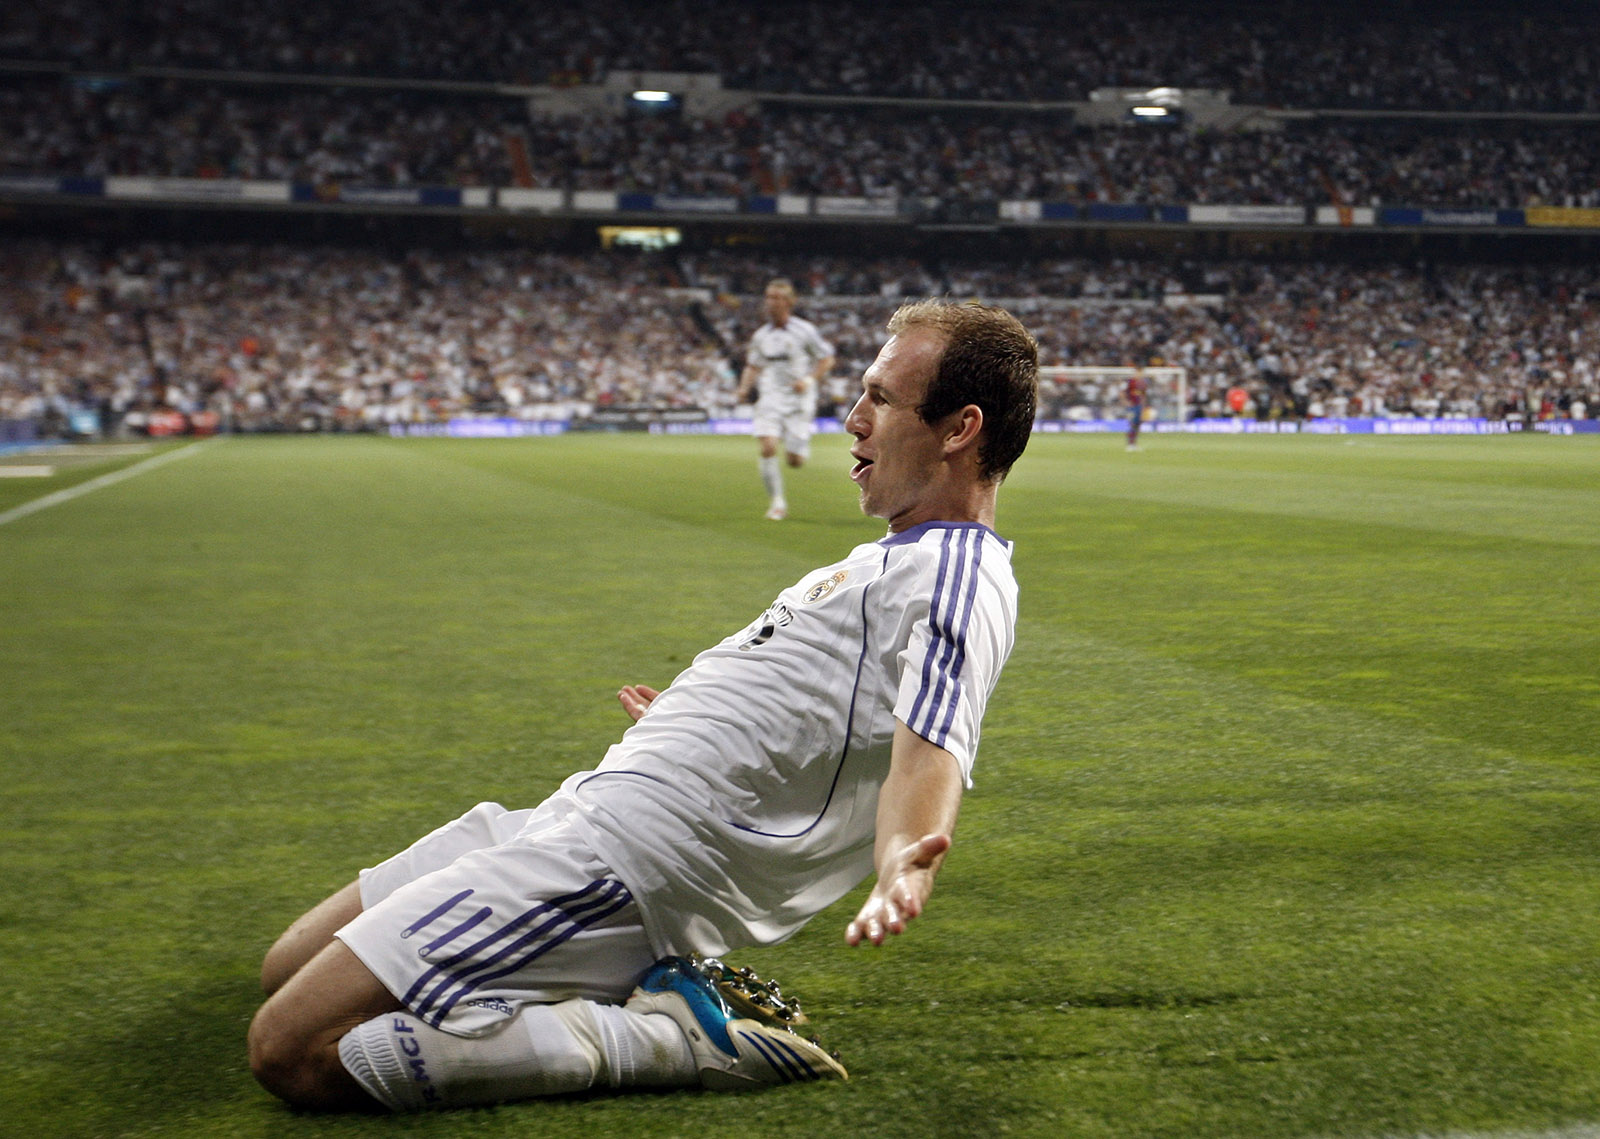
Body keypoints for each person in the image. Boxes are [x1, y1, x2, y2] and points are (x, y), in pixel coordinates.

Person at [247, 299, 1039, 1113]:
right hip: (593, 806)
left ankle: (666, 1037)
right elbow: (821, 712)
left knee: (294, 1047)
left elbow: (926, 750)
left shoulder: (957, 574)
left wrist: (905, 857)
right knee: (286, 966)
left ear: (959, 429)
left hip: (626, 859)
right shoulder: (895, 557)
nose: (852, 418)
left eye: (881, 398)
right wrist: (699, 723)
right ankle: (586, 981)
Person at [736, 278, 835, 520]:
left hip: (799, 398)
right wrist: (743, 388)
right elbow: (753, 365)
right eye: (769, 297)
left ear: (789, 302)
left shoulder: (805, 330)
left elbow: (826, 359)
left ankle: (800, 446)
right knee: (767, 446)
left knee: (795, 461)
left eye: (777, 298)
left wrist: (808, 380)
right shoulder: (761, 336)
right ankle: (777, 503)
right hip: (770, 396)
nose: (772, 302)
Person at [1124, 361, 1148, 451]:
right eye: (1139, 372)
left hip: (1139, 406)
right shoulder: (1130, 381)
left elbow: (1144, 395)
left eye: (1141, 372)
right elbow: (1123, 392)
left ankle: (1134, 444)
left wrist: (1143, 405)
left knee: (1138, 425)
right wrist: (1127, 402)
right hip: (1132, 406)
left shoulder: (1143, 382)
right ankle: (1130, 444)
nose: (1140, 374)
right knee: (1132, 424)